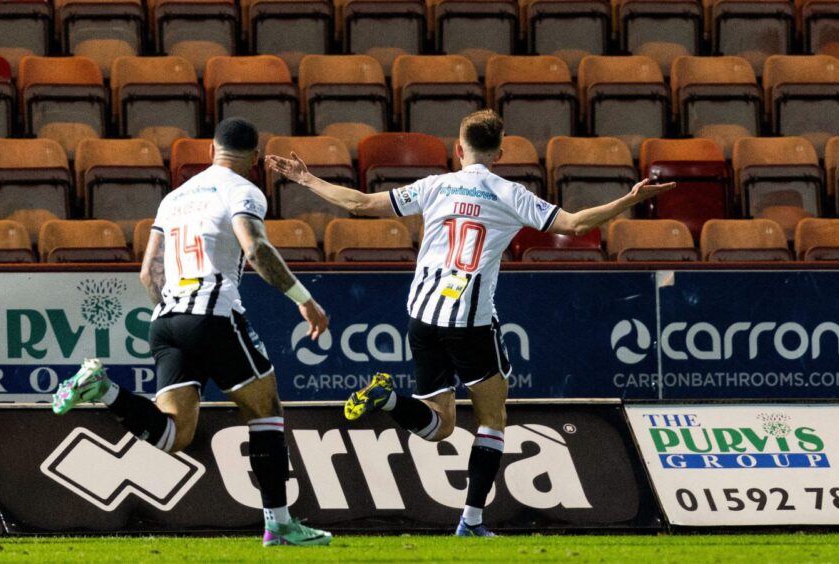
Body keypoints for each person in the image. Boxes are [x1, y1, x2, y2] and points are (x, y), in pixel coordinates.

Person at [266, 110, 675, 536]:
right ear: (499, 153)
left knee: (439, 425)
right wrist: (629, 199)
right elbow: (574, 224)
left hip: (422, 316)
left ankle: (388, 400)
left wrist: (306, 179)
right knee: (493, 416)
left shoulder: (434, 186)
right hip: (470, 320)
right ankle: (472, 521)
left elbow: (361, 203)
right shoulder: (509, 193)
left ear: (458, 149)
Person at [52, 117, 333, 547]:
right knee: (266, 410)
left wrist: (179, 317)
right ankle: (279, 524)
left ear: (209, 151)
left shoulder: (175, 197)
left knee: (174, 434)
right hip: (214, 314)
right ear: (255, 159)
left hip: (166, 321)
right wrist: (303, 299)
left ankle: (103, 388)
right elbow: (256, 248)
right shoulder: (243, 190)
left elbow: (149, 273)